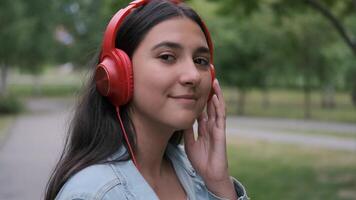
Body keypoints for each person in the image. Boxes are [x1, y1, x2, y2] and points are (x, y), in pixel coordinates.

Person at [45, 0, 248, 199]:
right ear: (119, 74)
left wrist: (220, 185)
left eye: (200, 61)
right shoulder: (93, 193)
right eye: (167, 57)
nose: (193, 75)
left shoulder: (197, 174)